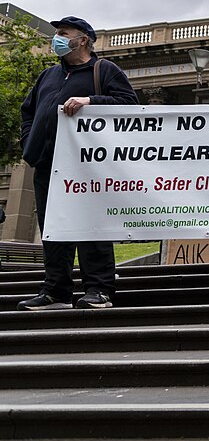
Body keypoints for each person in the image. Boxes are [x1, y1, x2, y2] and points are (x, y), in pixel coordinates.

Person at [17, 16, 139, 310]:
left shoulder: (104, 70)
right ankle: (55, 290)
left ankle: (99, 289)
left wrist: (91, 101)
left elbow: (131, 106)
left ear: (82, 39)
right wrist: (28, 142)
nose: (56, 38)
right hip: (49, 162)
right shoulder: (48, 76)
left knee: (91, 225)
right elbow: (28, 112)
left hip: (87, 166)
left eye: (63, 33)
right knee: (53, 229)